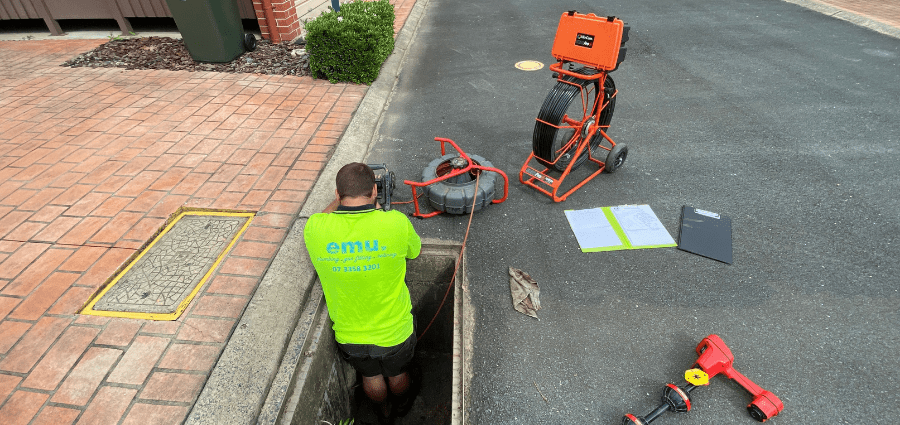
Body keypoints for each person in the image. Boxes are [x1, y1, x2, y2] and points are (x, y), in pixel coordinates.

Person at [303, 163, 422, 423]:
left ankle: (382, 412)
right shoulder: (395, 223)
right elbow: (414, 251)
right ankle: (402, 407)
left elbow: (320, 217)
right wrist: (377, 210)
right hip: (395, 333)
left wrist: (338, 203)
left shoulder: (315, 229)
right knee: (397, 373)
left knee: (371, 377)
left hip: (350, 335)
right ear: (374, 192)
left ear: (337, 194)